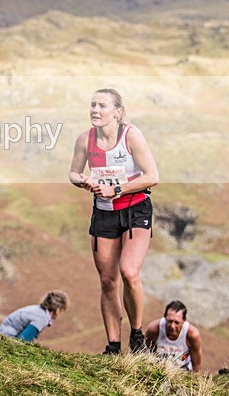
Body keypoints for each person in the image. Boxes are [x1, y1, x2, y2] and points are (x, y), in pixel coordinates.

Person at [69, 89, 159, 355]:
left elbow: (152, 175)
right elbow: (73, 171)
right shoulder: (85, 139)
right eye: (92, 105)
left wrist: (117, 189)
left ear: (117, 112)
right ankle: (113, 346)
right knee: (108, 281)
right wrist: (84, 181)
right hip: (103, 213)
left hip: (134, 209)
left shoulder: (131, 135)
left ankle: (137, 335)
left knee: (129, 272)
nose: (95, 110)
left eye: (102, 106)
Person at [145, 301, 202, 372]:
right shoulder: (153, 329)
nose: (172, 326)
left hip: (182, 372)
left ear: (184, 320)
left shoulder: (192, 335)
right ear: (165, 317)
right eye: (169, 321)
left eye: (177, 322)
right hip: (157, 370)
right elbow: (144, 353)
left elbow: (196, 366)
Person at [0, 291, 69, 342]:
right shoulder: (42, 317)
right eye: (62, 310)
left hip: (1, 336)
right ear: (58, 309)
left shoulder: (36, 309)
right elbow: (23, 340)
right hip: (7, 340)